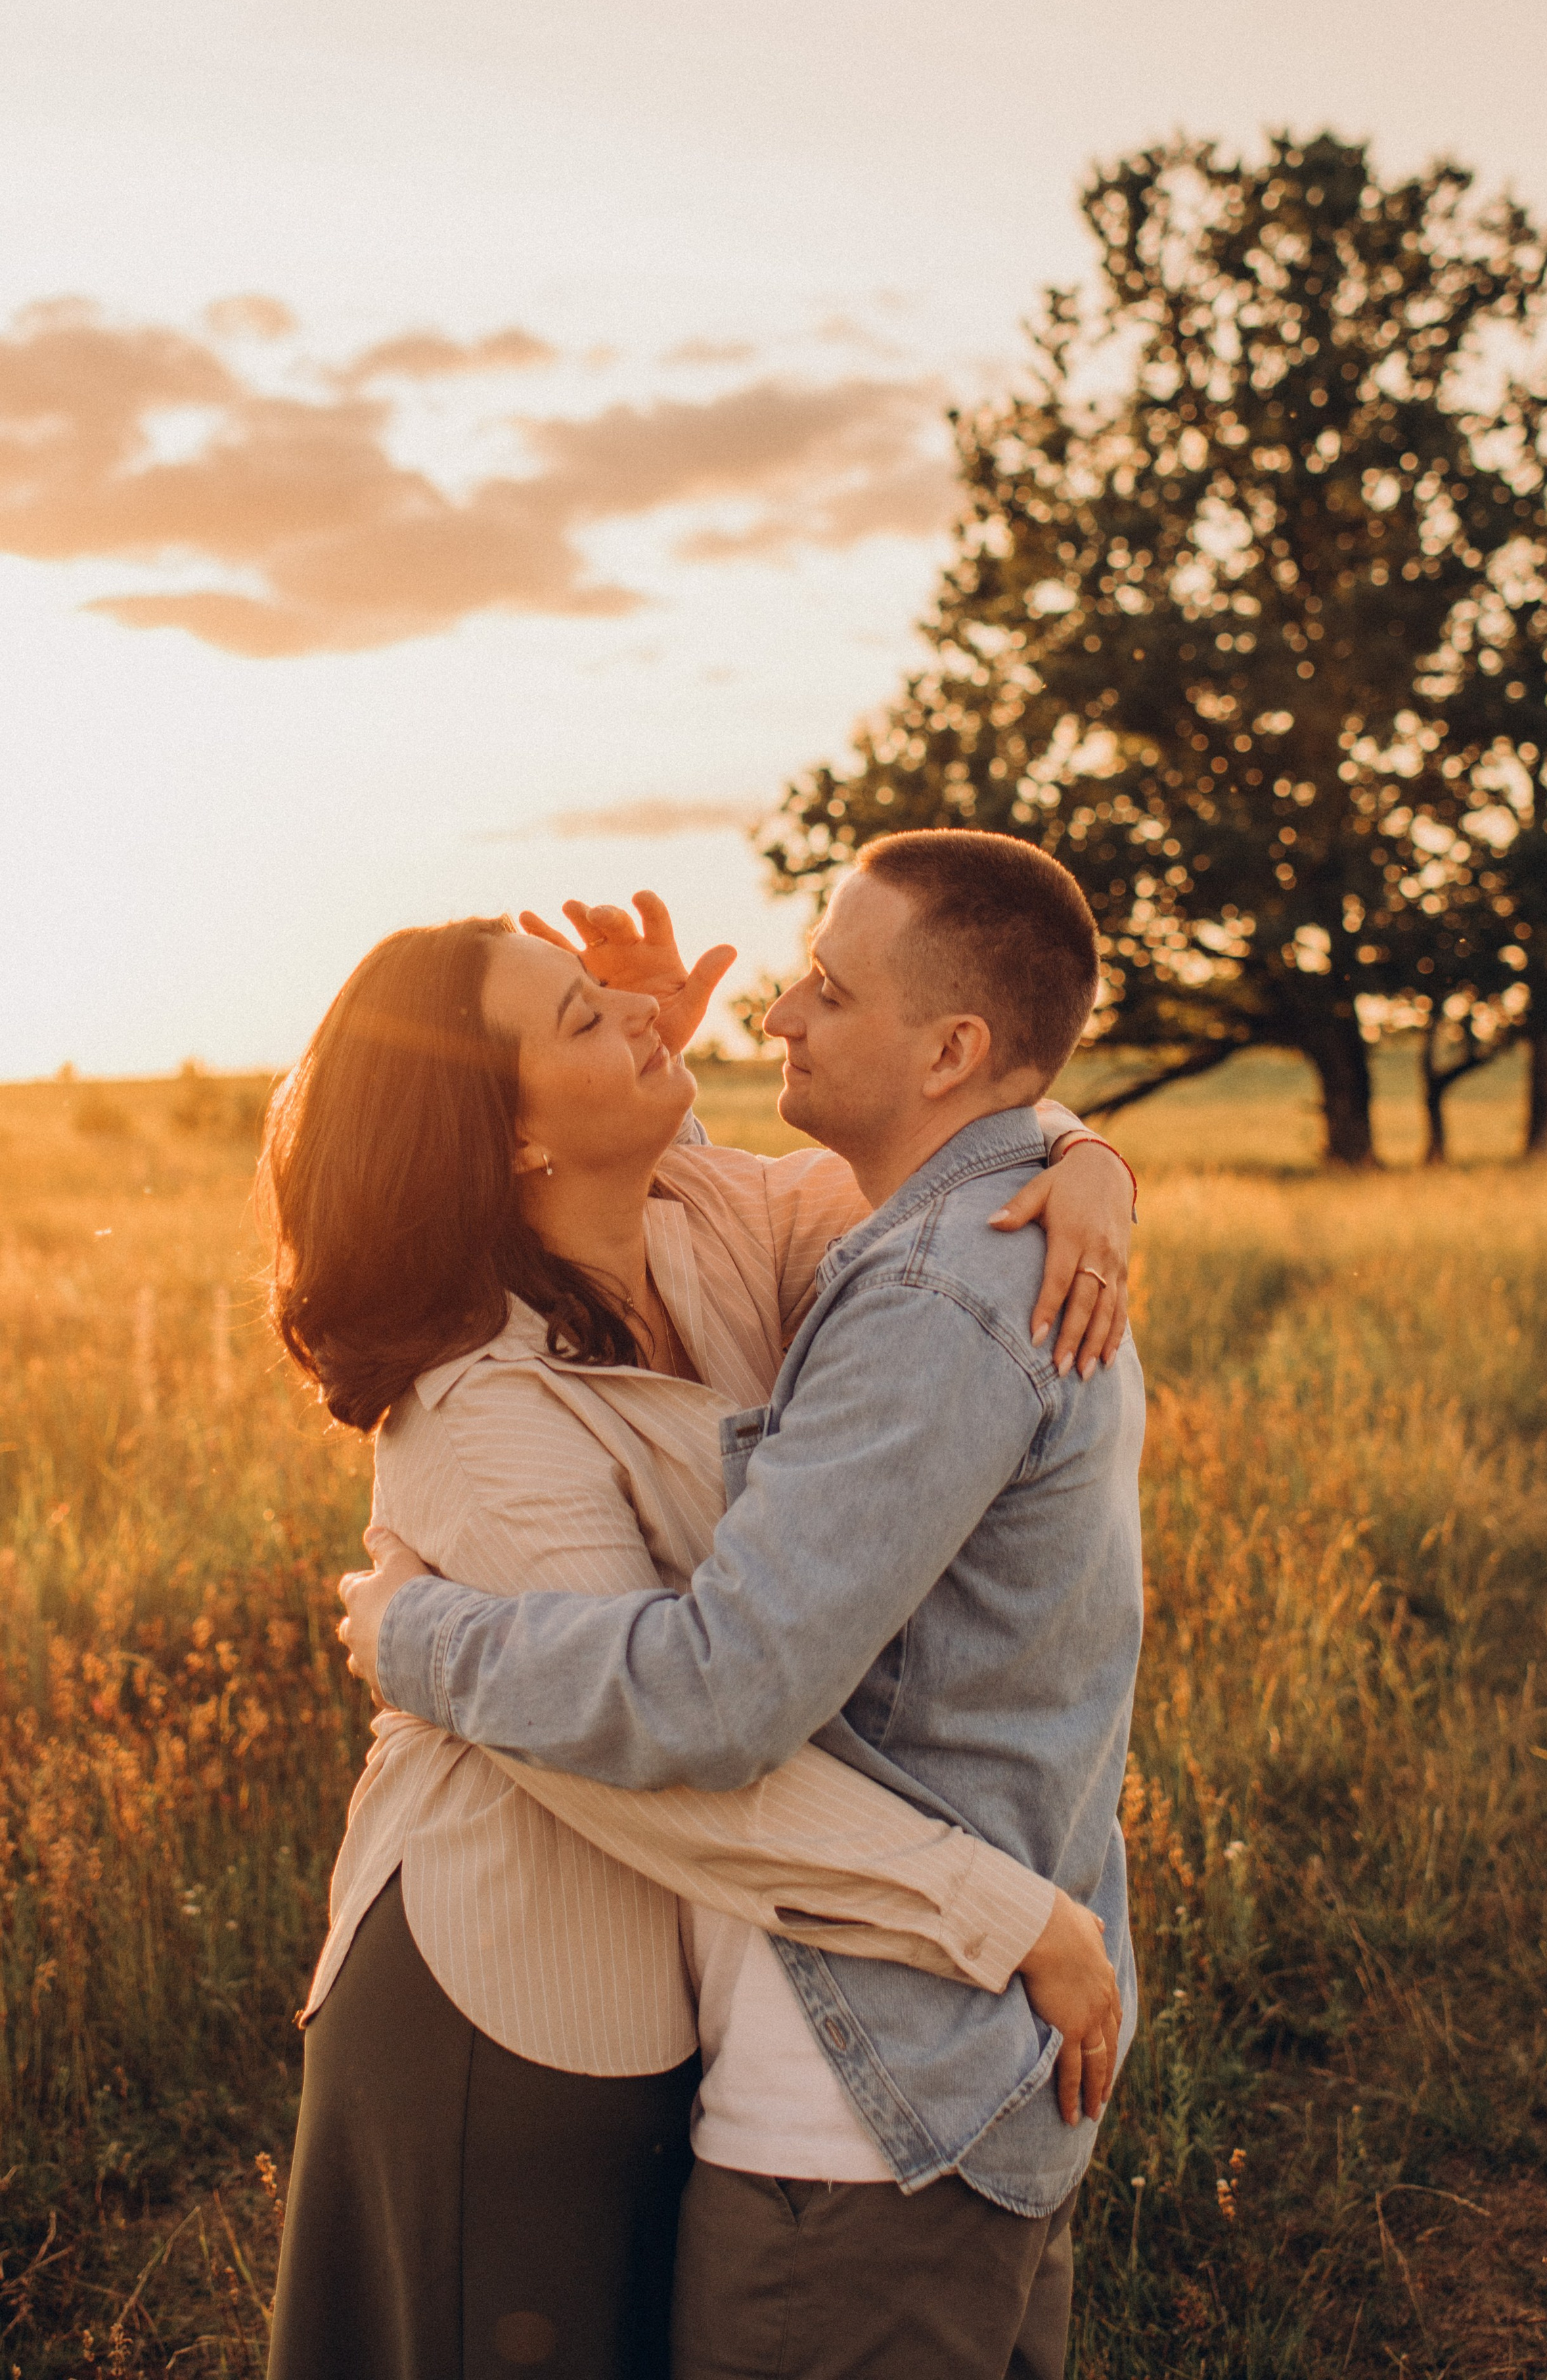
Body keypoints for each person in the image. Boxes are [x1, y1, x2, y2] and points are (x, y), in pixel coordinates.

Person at [260, 884, 1134, 2380]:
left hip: (700, 1988)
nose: (654, 1016)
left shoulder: (703, 1222)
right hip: (509, 2001)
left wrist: (1089, 1156)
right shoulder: (484, 1415)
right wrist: (997, 1916)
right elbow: (660, 1759)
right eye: (582, 1018)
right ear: (506, 1132)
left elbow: (955, 1150)